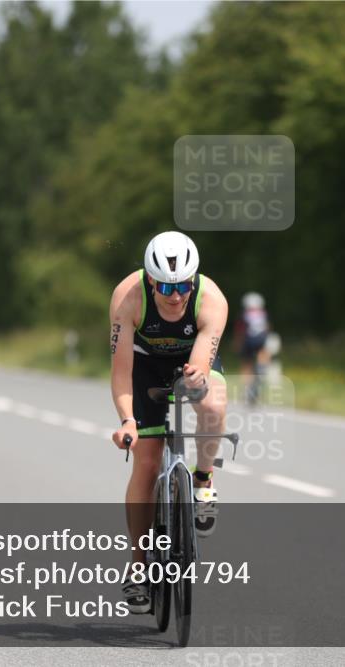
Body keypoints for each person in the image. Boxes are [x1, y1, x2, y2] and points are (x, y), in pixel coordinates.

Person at [109, 231, 229, 614]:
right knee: (146, 461)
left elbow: (200, 368)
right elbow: (121, 372)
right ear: (149, 280)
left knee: (213, 406)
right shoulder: (127, 298)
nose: (175, 295)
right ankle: (138, 567)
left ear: (193, 282)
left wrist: (195, 380)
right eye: (164, 286)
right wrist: (127, 420)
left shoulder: (212, 301)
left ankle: (203, 481)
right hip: (143, 365)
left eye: (182, 286)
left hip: (191, 360)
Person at [234, 292, 271, 405]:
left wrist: (237, 343)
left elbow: (240, 331)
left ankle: (246, 388)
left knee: (246, 364)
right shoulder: (264, 314)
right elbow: (267, 328)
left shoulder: (243, 315)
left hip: (248, 341)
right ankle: (262, 366)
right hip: (261, 340)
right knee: (263, 352)